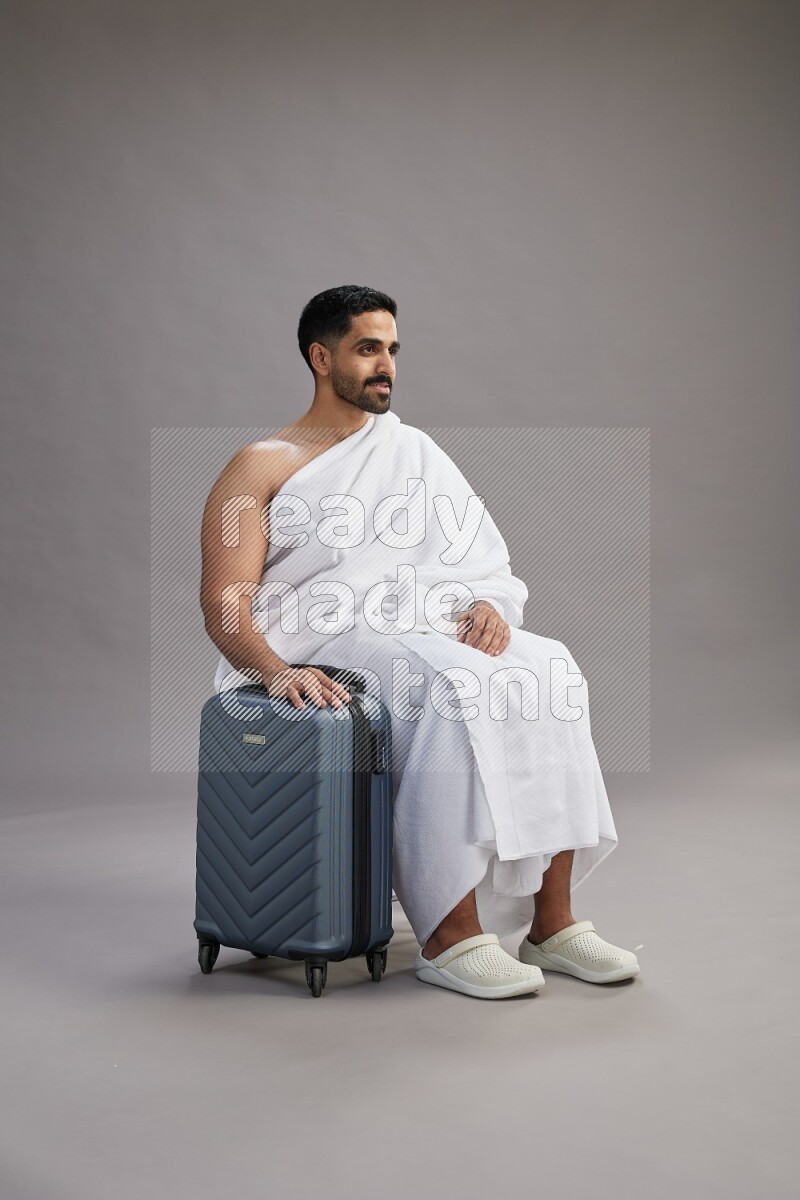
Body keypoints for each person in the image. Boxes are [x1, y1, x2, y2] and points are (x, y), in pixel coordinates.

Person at [199, 284, 640, 1000]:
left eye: (392, 350)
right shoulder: (259, 466)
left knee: (550, 665)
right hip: (320, 638)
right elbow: (225, 605)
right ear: (321, 356)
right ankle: (448, 934)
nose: (387, 366)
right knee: (444, 685)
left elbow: (480, 558)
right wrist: (276, 672)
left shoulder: (414, 451)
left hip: (417, 622)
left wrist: (490, 605)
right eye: (367, 348)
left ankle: (552, 925)